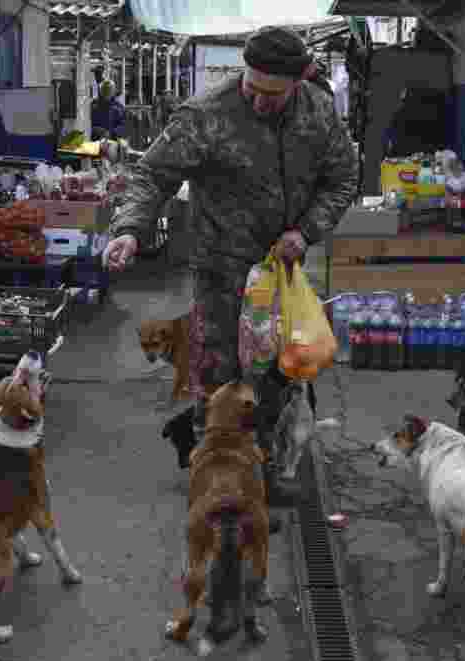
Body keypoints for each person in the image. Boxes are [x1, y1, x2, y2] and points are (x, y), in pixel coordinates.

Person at [103, 26, 358, 524]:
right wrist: (130, 229)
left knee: (278, 374)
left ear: (298, 82)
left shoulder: (319, 112)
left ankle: (261, 473)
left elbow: (343, 178)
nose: (259, 101)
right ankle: (214, 481)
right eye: (251, 88)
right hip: (220, 268)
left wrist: (306, 232)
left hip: (282, 271)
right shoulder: (207, 114)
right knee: (217, 374)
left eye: (272, 94)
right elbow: (153, 175)